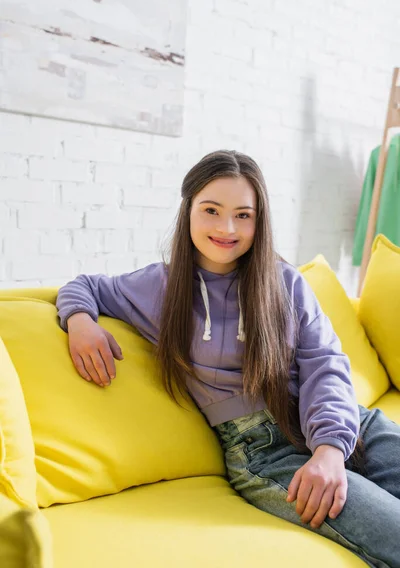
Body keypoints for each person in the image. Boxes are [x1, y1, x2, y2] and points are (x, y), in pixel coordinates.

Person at [57, 150, 400, 567]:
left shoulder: (285, 282)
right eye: (211, 211)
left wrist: (329, 448)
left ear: (259, 221)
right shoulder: (160, 288)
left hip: (346, 422)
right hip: (266, 451)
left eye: (243, 215)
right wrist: (79, 321)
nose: (226, 227)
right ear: (188, 212)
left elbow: (325, 362)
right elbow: (84, 286)